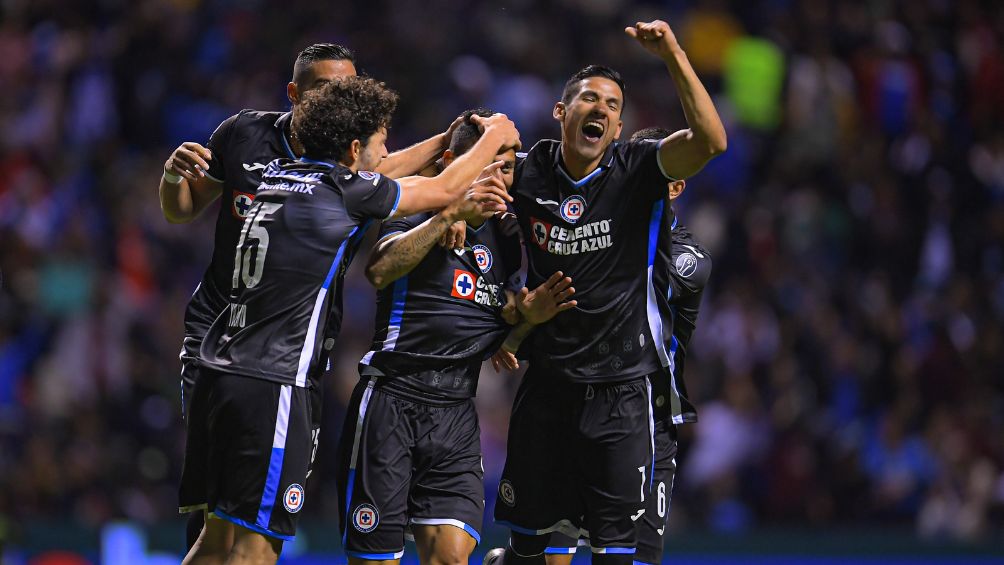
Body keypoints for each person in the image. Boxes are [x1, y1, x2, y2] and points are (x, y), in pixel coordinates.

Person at [179, 77, 520, 565]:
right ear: (355, 147)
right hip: (273, 381)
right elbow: (441, 186)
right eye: (382, 141)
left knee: (214, 541)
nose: (387, 152)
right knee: (256, 547)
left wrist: (449, 139)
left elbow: (394, 173)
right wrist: (494, 134)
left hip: (219, 368)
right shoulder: (345, 193)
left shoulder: (277, 174)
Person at [486, 19, 726, 565]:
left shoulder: (639, 171)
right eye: (589, 99)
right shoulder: (526, 174)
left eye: (614, 105)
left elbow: (712, 141)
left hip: (623, 394)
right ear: (560, 112)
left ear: (619, 127)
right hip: (547, 389)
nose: (601, 110)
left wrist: (671, 52)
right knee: (528, 551)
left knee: (617, 556)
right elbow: (466, 187)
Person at [336, 109, 577, 565]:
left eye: (507, 165)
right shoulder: (420, 201)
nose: (500, 176)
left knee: (449, 556)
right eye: (487, 162)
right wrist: (448, 215)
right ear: (454, 161)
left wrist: (524, 319)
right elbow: (380, 269)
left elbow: (498, 319)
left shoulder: (508, 236)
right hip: (393, 398)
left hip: (455, 412)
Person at [510, 127, 711, 565]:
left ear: (674, 185)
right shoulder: (599, 232)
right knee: (552, 550)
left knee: (635, 557)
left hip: (648, 413)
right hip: (574, 398)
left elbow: (608, 286)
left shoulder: (687, 258)